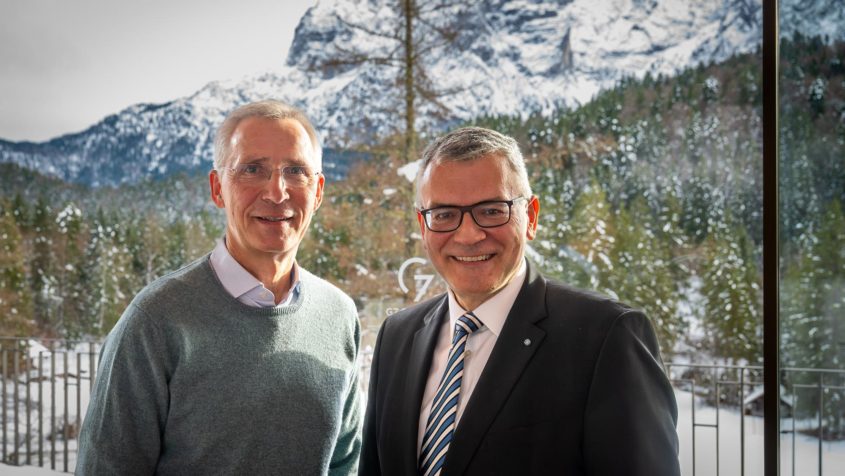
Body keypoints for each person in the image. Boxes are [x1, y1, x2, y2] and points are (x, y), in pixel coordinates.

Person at [360, 127, 680, 475]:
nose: (468, 235)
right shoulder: (397, 336)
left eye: (492, 210)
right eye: (444, 214)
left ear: (532, 216)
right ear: (423, 227)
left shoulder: (606, 338)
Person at [77, 100, 361, 475]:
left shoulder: (338, 314)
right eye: (252, 169)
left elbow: (345, 465)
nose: (277, 192)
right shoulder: (156, 320)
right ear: (217, 188)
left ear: (319, 190)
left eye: (296, 170)